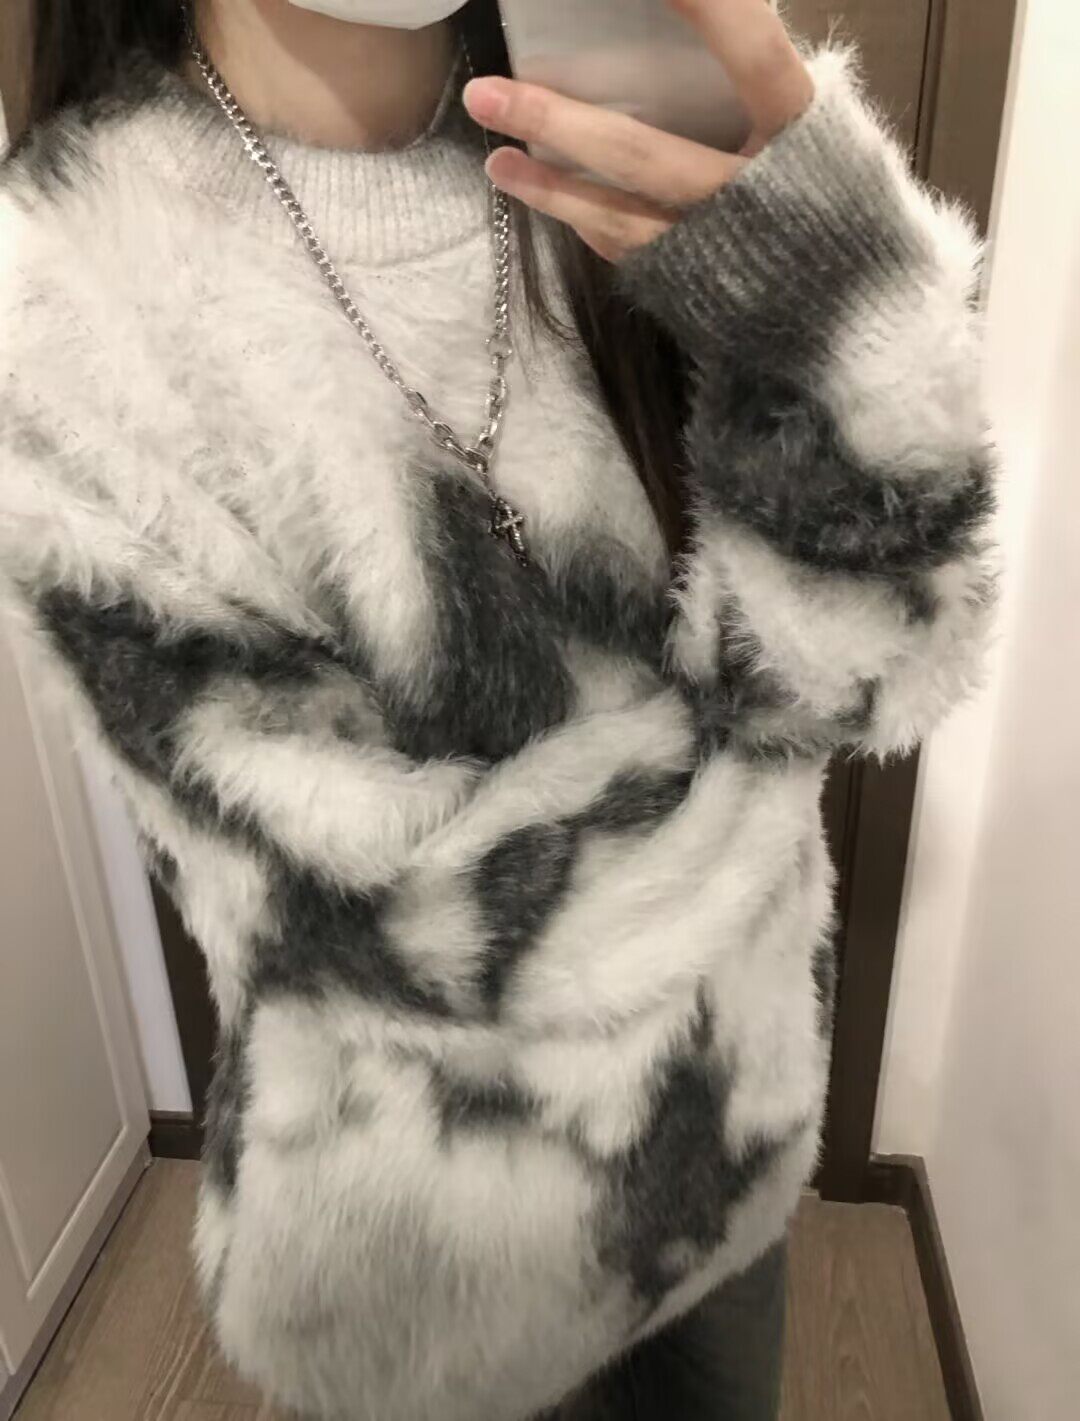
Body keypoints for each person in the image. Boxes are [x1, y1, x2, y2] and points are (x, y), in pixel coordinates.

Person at [0, 1, 996, 1417]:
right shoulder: (60, 299)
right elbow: (401, 925)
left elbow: (892, 657)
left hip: (733, 1135)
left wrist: (849, 295)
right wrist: (760, 725)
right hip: (438, 1257)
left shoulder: (628, 137)